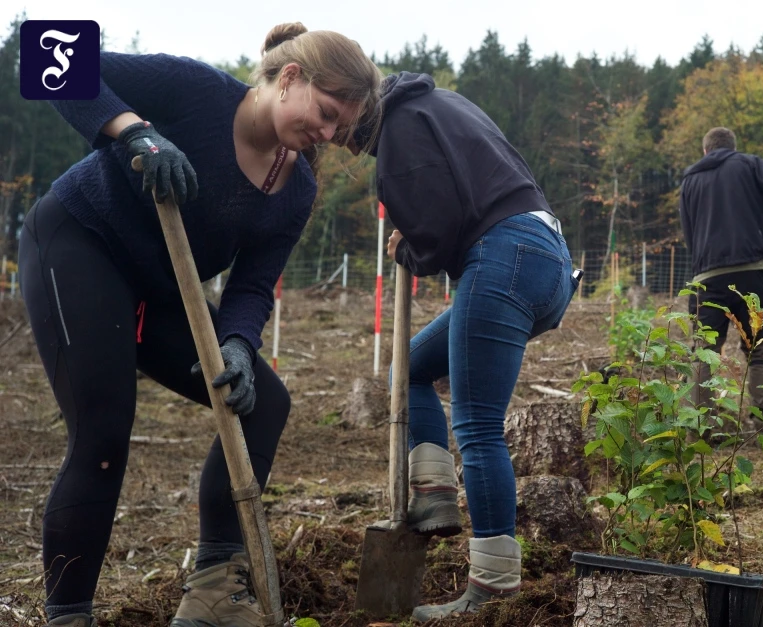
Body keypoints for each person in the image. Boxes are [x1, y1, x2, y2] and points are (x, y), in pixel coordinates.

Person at [19, 25, 380, 627]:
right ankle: (67, 616)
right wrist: (135, 131)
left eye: (338, 129)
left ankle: (213, 586)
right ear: (289, 78)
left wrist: (237, 343)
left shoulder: (295, 189)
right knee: (104, 431)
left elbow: (252, 285)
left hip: (159, 292)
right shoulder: (198, 91)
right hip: (79, 245)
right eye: (325, 114)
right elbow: (47, 58)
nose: (327, 135)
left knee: (264, 402)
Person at [352, 71, 577, 622]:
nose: (340, 137)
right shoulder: (444, 104)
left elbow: (437, 228)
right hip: (546, 257)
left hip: (505, 254)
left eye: (341, 127)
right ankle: (433, 493)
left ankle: (494, 586)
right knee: (407, 369)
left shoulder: (400, 125)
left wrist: (414, 246)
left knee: (476, 425)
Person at [678, 127, 763, 447]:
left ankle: (700, 431)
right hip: (752, 273)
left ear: (706, 151)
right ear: (732, 147)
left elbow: (688, 235)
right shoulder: (749, 165)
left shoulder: (689, 182)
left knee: (703, 354)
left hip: (706, 279)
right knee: (759, 351)